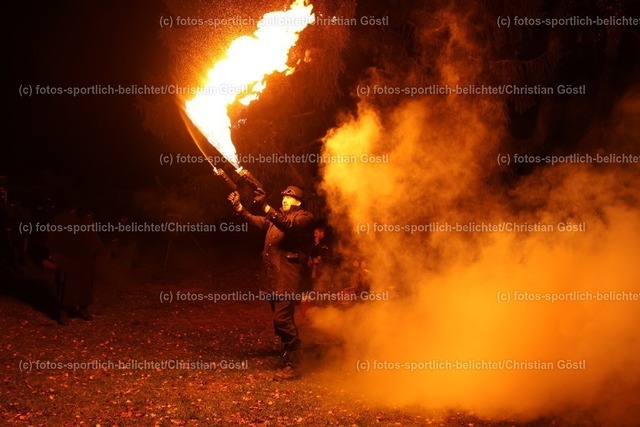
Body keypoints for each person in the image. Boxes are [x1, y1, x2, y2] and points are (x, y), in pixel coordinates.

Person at [228, 185, 313, 380]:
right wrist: (240, 208)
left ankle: (295, 364)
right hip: (274, 278)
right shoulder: (277, 218)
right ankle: (288, 354)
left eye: (289, 198)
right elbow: (258, 221)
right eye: (283, 197)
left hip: (288, 279)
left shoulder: (303, 217)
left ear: (298, 202)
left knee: (282, 320)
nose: (284, 199)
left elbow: (288, 226)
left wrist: (266, 206)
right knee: (281, 320)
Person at [47, 207, 102, 325]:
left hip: (85, 260)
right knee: (66, 286)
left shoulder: (87, 220)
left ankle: (83, 309)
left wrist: (95, 250)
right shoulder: (63, 219)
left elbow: (94, 238)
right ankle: (63, 312)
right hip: (69, 258)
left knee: (85, 285)